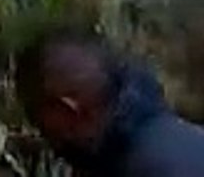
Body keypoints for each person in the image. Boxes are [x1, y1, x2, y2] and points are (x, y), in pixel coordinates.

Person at [15, 25, 204, 176]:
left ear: (66, 111)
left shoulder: (144, 166)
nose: (51, 144)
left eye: (44, 129)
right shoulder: (184, 138)